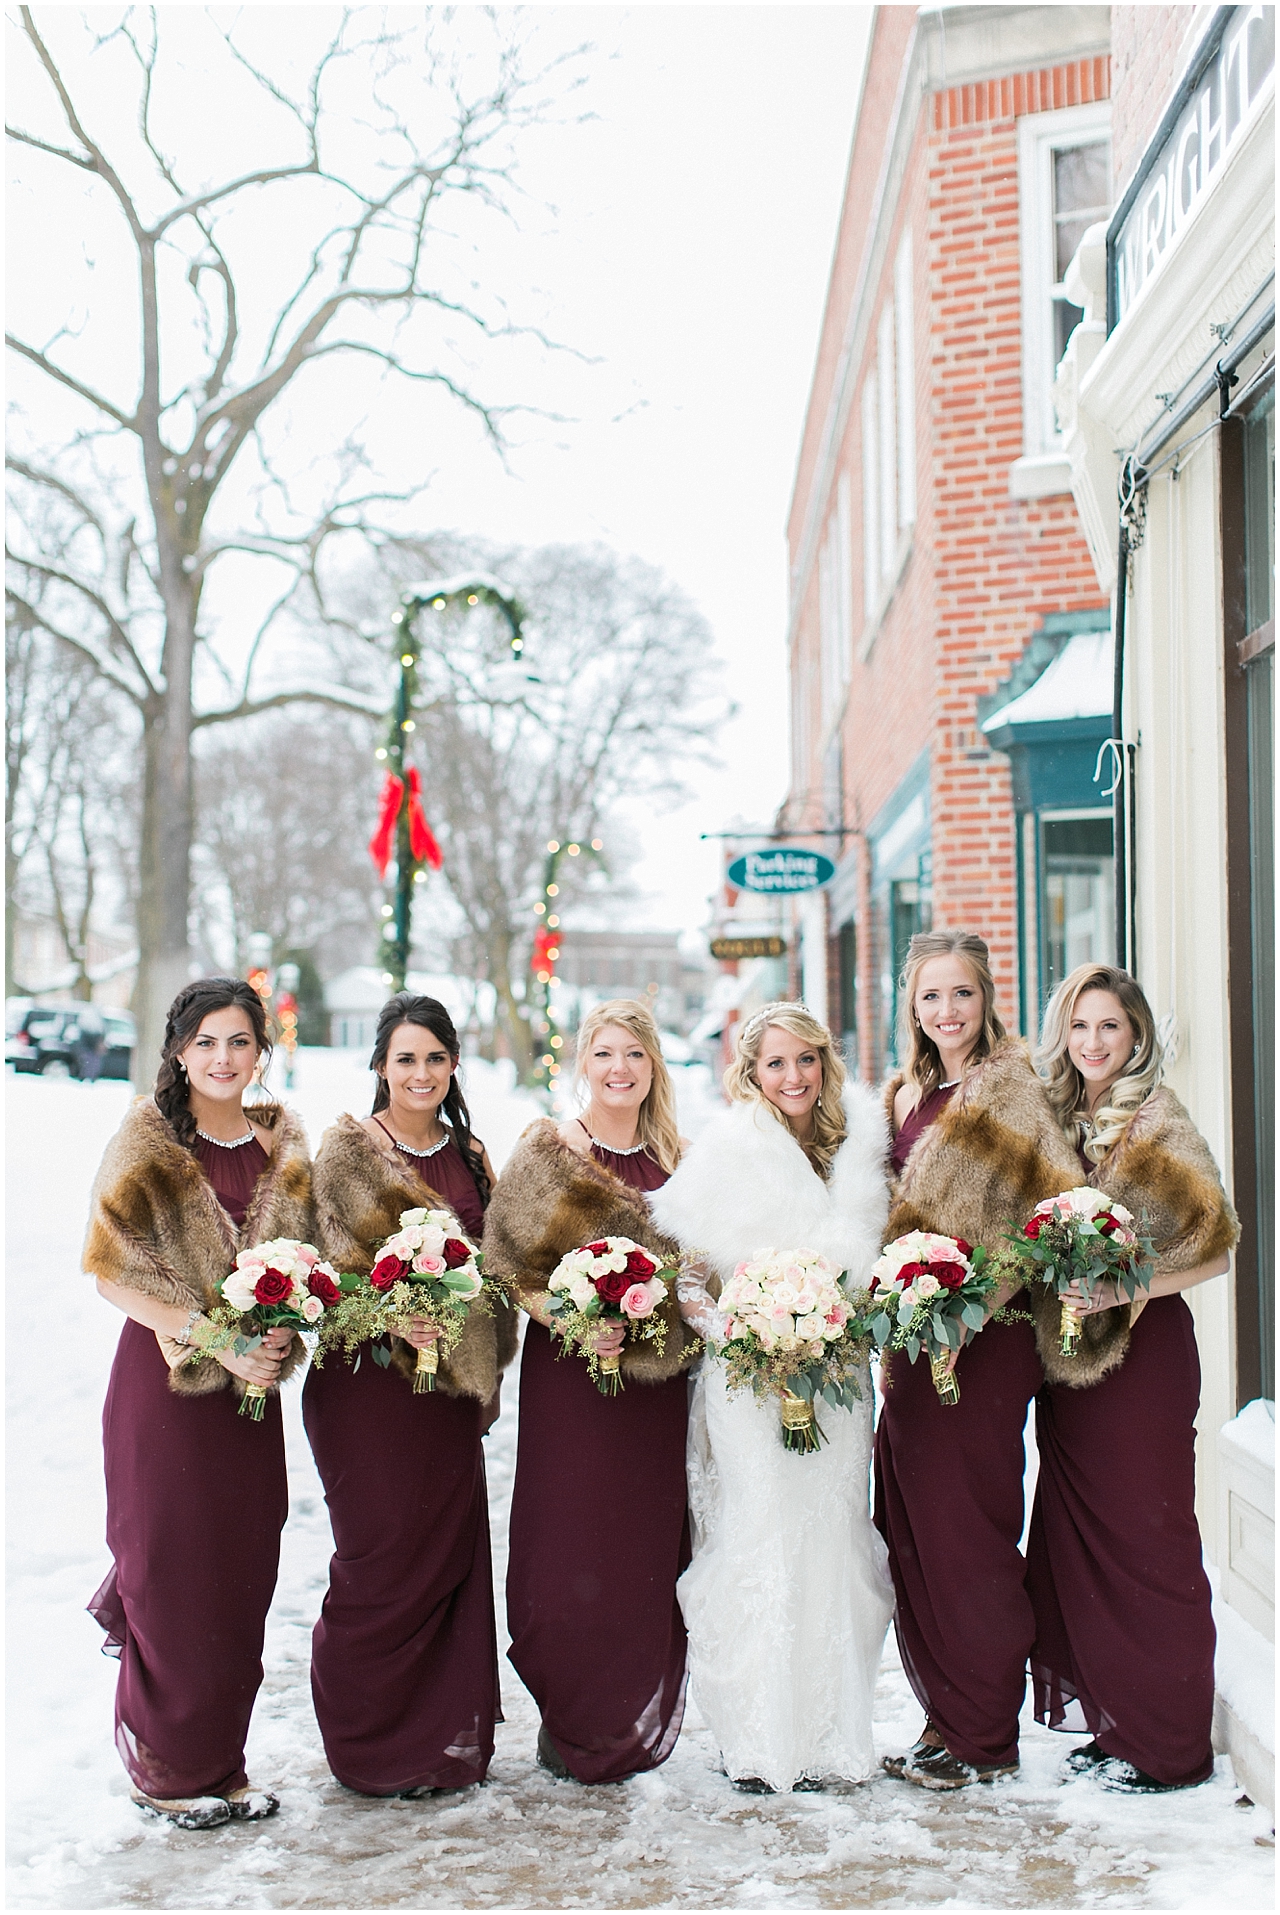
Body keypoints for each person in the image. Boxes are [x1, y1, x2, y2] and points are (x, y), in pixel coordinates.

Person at [83, 977, 313, 1829]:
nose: (223, 1058)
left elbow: (305, 1266)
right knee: (174, 1573)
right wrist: (215, 1336)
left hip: (250, 1403)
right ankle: (166, 1770)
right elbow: (110, 1272)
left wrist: (286, 1335)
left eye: (239, 1041)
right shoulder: (145, 1142)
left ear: (260, 1050)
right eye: (207, 1041)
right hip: (165, 1391)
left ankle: (224, 1761)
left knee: (240, 1574)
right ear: (180, 1050)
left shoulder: (285, 1145)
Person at [650, 1002, 895, 1793]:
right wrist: (744, 1331)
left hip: (838, 1378)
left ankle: (829, 1732)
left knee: (829, 1536)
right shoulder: (727, 1152)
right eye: (774, 1063)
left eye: (806, 1060)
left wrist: (825, 1331)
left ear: (825, 1061)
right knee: (760, 1536)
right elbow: (689, 1279)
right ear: (750, 1074)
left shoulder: (860, 1149)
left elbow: (874, 1270)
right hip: (749, 1377)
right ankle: (757, 1736)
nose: (793, 1076)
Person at [874, 930, 1079, 1791]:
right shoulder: (903, 1096)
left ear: (986, 998)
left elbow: (1054, 1219)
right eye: (930, 997)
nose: (946, 1011)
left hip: (984, 1344)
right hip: (915, 1349)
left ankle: (984, 1733)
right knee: (912, 1528)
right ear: (911, 1008)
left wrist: (976, 1306)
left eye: (961, 994)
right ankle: (945, 1714)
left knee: (972, 1533)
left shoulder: (1014, 1092)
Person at [1026, 964, 1237, 1792]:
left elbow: (1217, 1249)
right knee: (1082, 1543)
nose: (1093, 1043)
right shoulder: (1056, 1119)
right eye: (1079, 1027)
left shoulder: (1158, 1120)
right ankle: (1117, 1725)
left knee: (1149, 1544)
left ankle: (1169, 1745)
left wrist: (1125, 1285)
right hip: (1070, 1363)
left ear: (1137, 1033)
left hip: (1143, 1361)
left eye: (1109, 1026)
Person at [483, 999, 699, 1784]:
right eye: (606, 1053)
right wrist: (572, 1318)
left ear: (653, 1066)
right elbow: (505, 1264)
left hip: (654, 1387)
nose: (620, 1069)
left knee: (639, 1547)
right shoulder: (549, 1150)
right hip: (571, 1385)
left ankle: (623, 1714)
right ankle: (567, 1711)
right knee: (567, 1540)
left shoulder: (677, 1159)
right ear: (584, 1062)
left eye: (635, 1055)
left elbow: (698, 1270)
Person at [306, 993, 515, 1797]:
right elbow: (322, 1274)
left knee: (442, 1561)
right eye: (404, 1059)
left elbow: (496, 1270)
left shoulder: (473, 1158)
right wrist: (392, 1314)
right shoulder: (348, 1151)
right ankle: (366, 1742)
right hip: (366, 1389)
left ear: (454, 1064)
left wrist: (482, 1353)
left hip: (449, 1394)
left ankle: (435, 1747)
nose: (420, 1072)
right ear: (380, 1067)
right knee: (380, 1560)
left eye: (434, 1057)